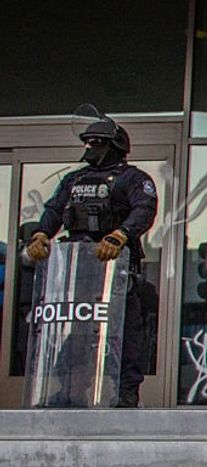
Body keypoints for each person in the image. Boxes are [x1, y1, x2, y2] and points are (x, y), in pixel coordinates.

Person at [26, 112, 158, 408]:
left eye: (96, 143)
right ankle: (69, 387)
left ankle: (126, 392)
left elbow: (144, 209)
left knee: (125, 332)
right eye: (87, 143)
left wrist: (121, 235)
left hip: (116, 271)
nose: (89, 148)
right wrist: (40, 234)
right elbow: (54, 210)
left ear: (114, 145)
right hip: (78, 271)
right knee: (75, 330)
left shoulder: (133, 179)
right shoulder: (74, 180)